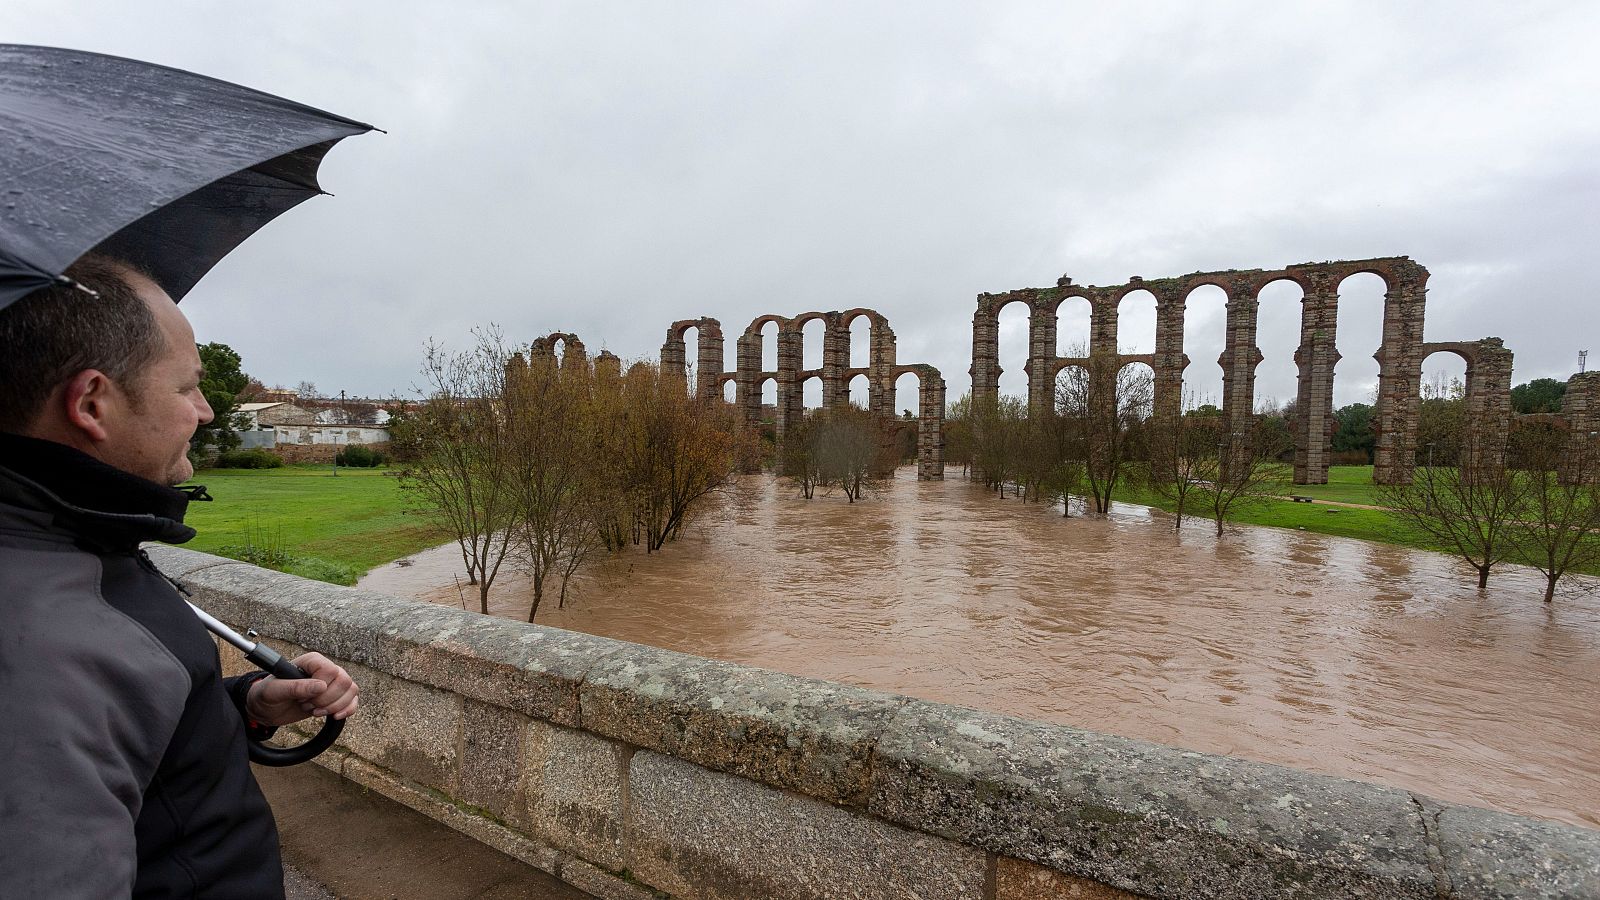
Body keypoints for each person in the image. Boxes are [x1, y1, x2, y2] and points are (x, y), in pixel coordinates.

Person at [0, 254, 359, 898]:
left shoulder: (71, 539)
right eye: (186, 387)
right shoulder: (42, 645)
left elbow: (123, 743)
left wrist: (244, 705)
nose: (206, 411)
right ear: (92, 403)